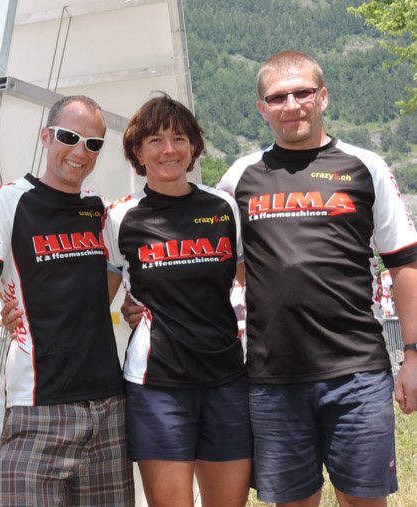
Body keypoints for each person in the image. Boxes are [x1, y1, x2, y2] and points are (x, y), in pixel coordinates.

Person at [126, 51, 417, 506]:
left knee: (364, 500)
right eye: (278, 97)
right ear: (262, 108)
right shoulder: (239, 178)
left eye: (303, 93)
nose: (292, 105)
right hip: (272, 379)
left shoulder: (366, 166)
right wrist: (149, 300)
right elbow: (203, 253)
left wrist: (413, 354)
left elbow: (405, 265)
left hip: (357, 373)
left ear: (323, 97)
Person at [0, 95, 134, 506]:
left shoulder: (101, 211)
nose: (79, 151)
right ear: (46, 136)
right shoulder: (6, 201)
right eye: (69, 137)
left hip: (108, 410)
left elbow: (120, 273)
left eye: (92, 144)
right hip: (37, 410)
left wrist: (134, 305)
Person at [103, 94, 251, 507]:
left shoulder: (223, 207)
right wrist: (19, 311)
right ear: (138, 152)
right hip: (157, 386)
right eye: (155, 140)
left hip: (226, 377)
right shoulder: (119, 216)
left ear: (193, 148)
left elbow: (253, 281)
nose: (169, 149)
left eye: (179, 138)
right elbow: (95, 297)